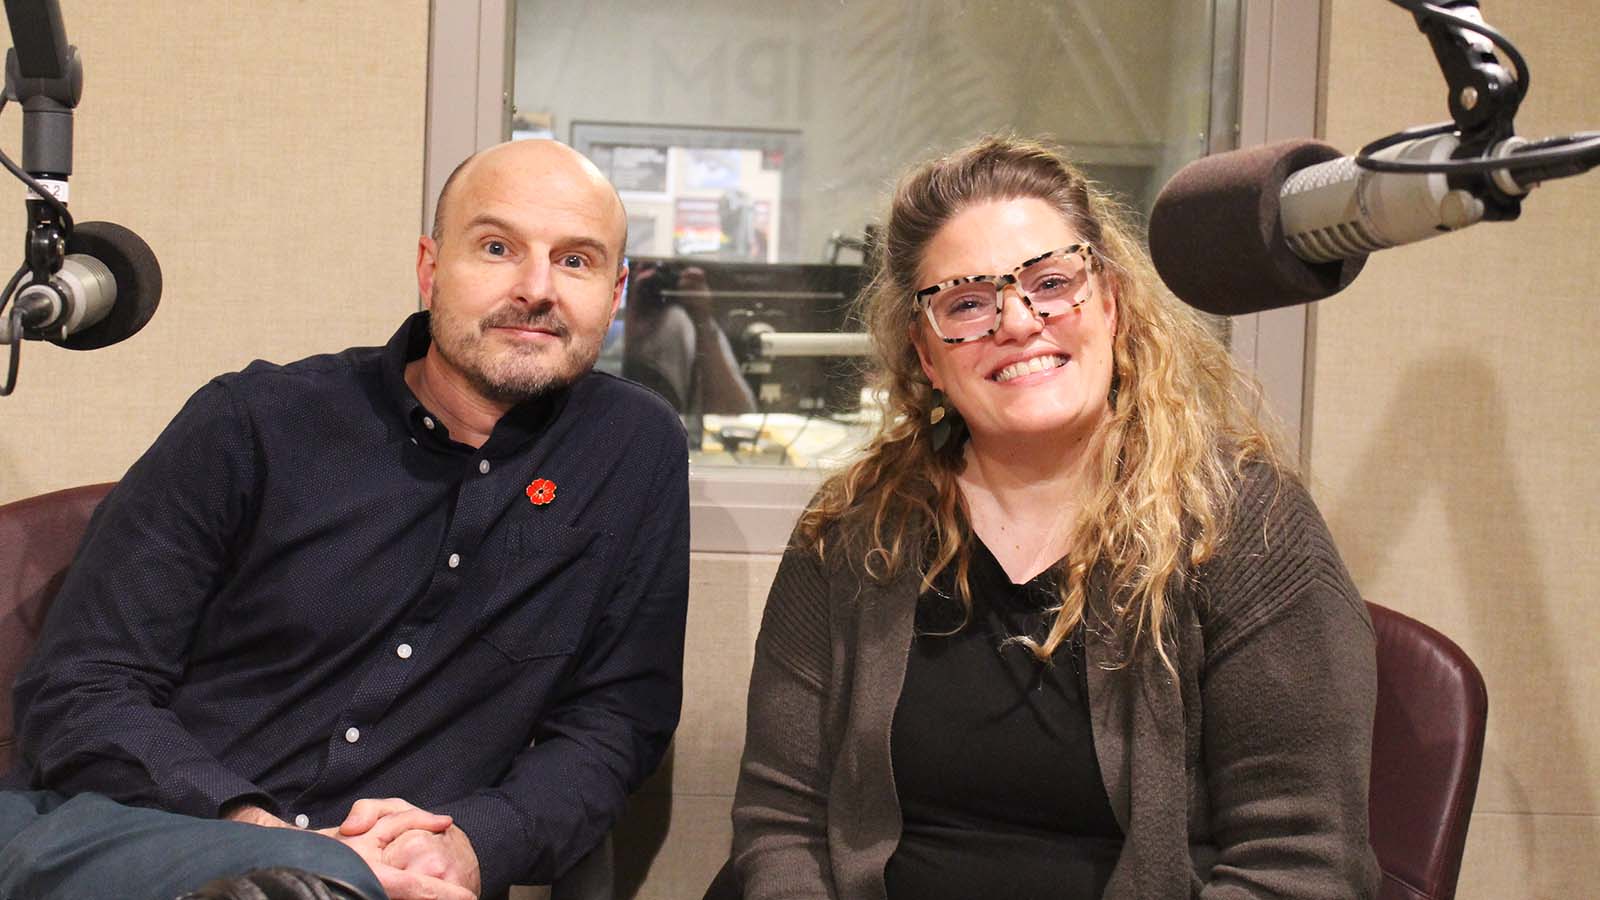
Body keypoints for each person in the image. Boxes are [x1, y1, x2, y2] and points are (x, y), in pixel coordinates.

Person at [0, 139, 690, 900]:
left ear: (615, 293)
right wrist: (259, 837)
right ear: (430, 268)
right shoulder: (255, 421)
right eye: (497, 248)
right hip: (160, 844)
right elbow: (83, 686)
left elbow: (614, 720)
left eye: (576, 261)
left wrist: (472, 846)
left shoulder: (631, 449)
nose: (536, 288)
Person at [719, 136, 1380, 899]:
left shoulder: (1244, 524)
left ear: (1111, 303)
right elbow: (783, 820)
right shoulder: (852, 531)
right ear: (926, 356)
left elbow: (1303, 863)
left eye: (1051, 282)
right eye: (966, 303)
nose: (1016, 321)